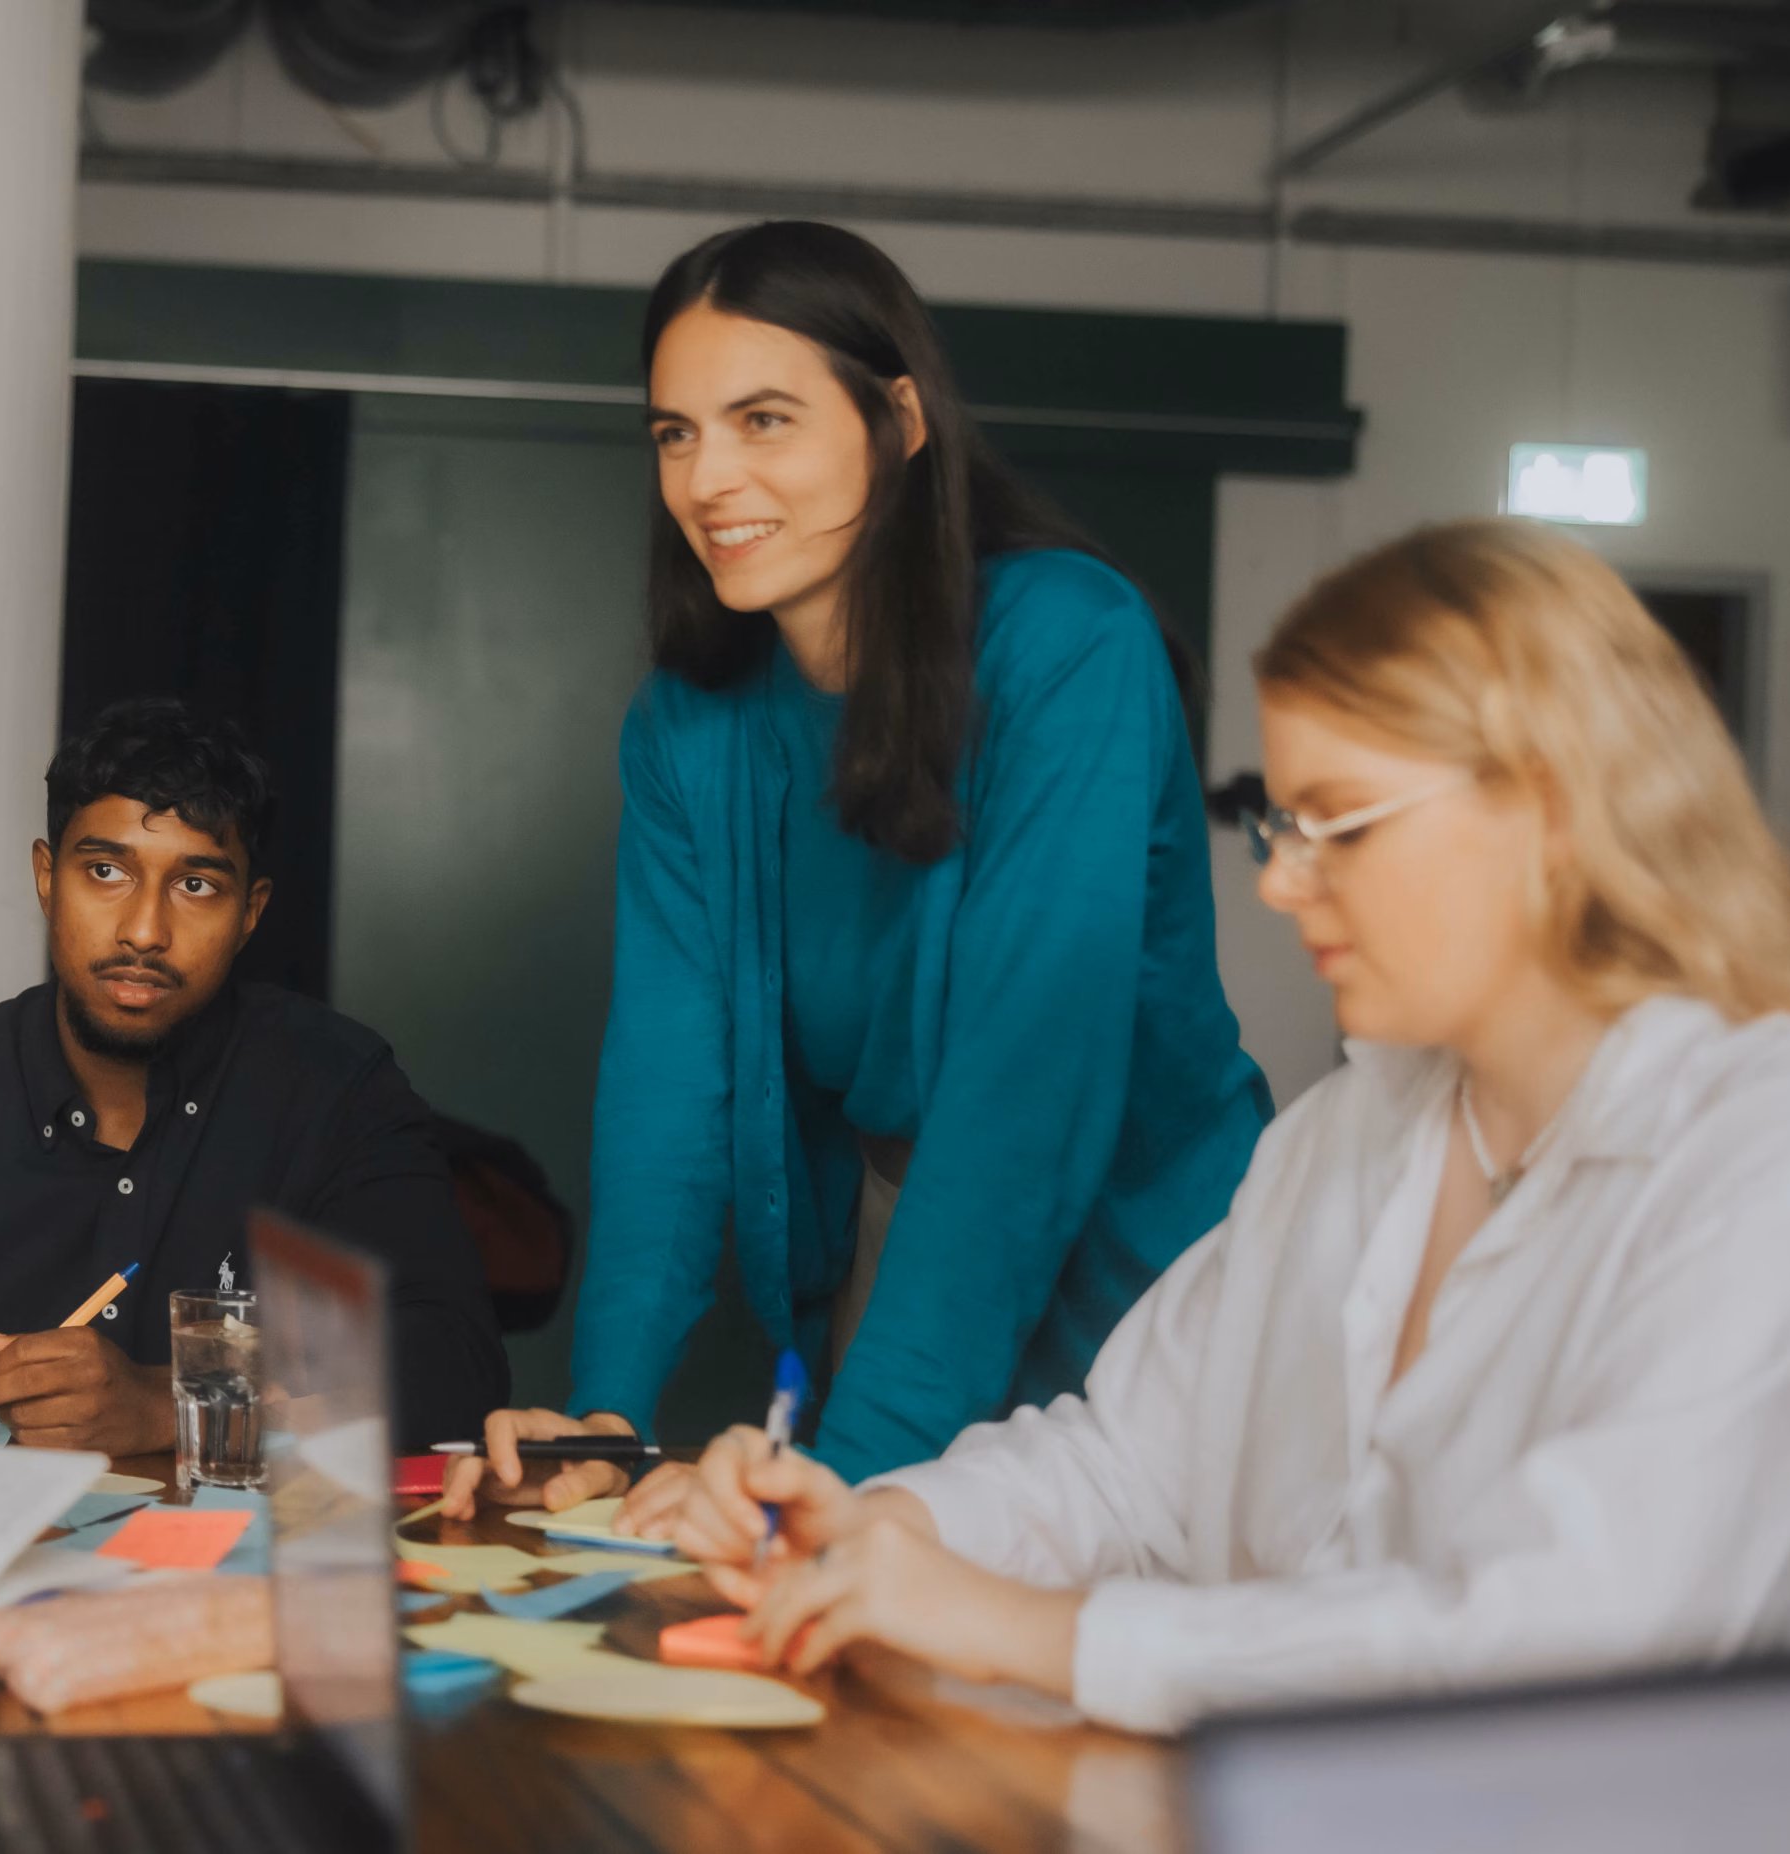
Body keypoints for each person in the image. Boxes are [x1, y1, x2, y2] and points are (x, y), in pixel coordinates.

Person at [616, 519, 1790, 1733]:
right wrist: (884, 1526)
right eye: (1278, 823)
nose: (1280, 882)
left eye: (1343, 826)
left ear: (1551, 812)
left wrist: (1021, 1629)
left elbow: (1570, 1653)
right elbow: (1125, 1464)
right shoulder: (1355, 1130)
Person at [452, 219, 1273, 1507]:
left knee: (1052, 1587)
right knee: (856, 1587)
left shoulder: (1069, 646)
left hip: (1140, 1242)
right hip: (912, 1241)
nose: (708, 478)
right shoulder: (688, 725)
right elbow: (672, 1084)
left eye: (763, 421)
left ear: (898, 420)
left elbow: (1024, 1094)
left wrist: (851, 1471)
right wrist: (609, 1411)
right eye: (675, 433)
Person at [0, 697, 507, 1452]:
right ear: (47, 878)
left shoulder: (333, 1089)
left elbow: (454, 1375)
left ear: (250, 913)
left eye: (196, 885)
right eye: (106, 871)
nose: (144, 931)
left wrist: (169, 1404)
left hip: (240, 1533)